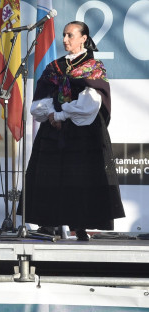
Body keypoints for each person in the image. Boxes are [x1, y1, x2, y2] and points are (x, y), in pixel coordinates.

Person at [22, 21, 125, 240]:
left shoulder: (93, 67)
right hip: (54, 130)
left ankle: (81, 224)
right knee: (50, 175)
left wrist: (61, 114)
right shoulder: (54, 67)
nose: (65, 39)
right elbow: (41, 99)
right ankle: (48, 223)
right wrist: (51, 114)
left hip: (82, 131)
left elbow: (91, 103)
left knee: (80, 177)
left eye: (70, 35)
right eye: (64, 35)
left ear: (83, 38)